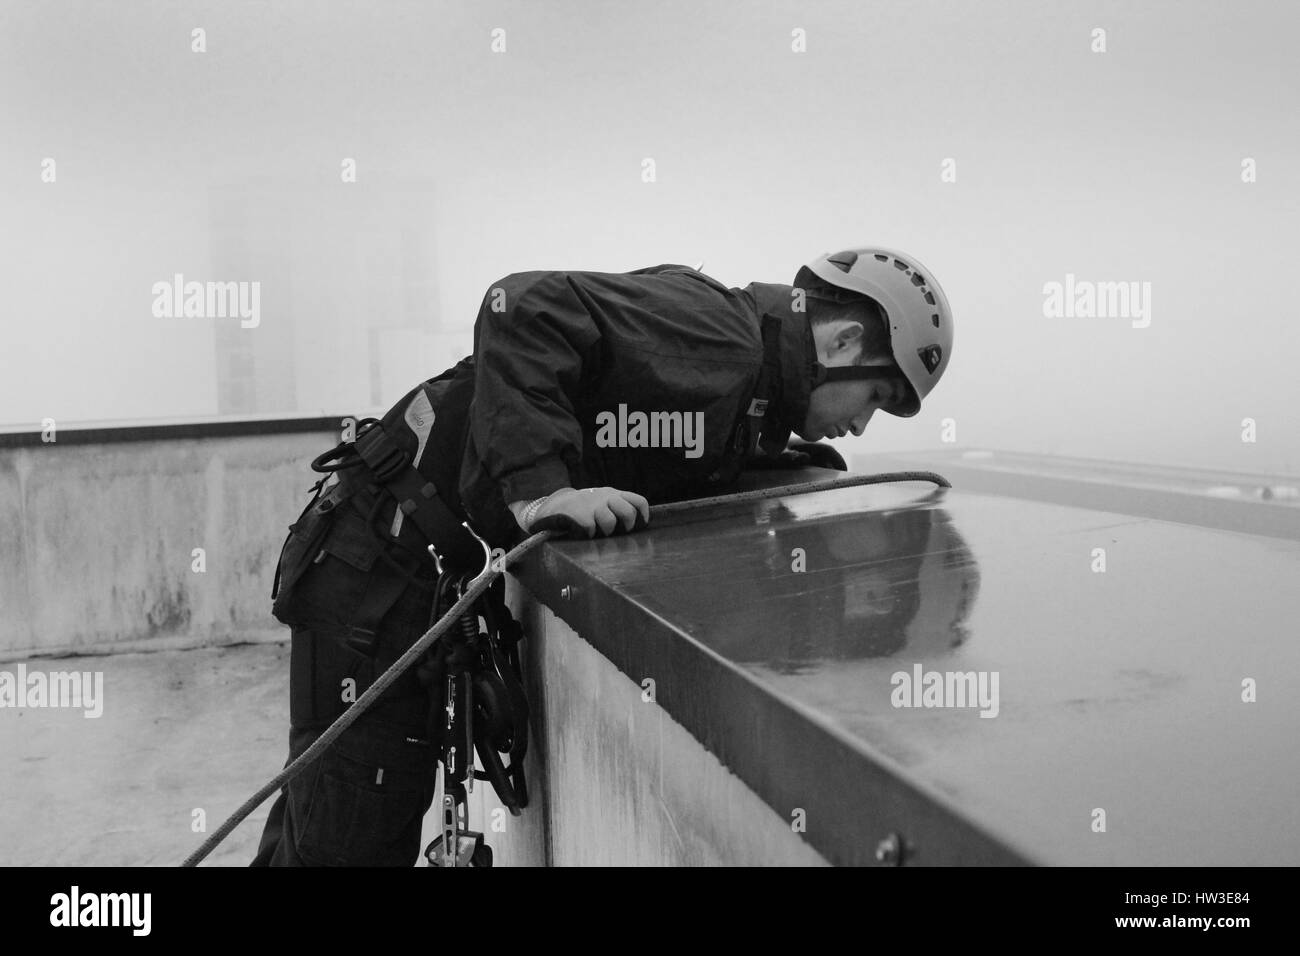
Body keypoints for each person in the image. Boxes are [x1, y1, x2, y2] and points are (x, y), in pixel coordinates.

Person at [250, 246, 954, 866]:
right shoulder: (725, 340)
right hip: (377, 569)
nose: (862, 423)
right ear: (846, 337)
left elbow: (652, 439)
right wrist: (539, 491)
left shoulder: (746, 384)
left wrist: (775, 465)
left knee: (323, 820)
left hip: (376, 557)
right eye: (876, 395)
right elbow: (520, 305)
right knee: (349, 837)